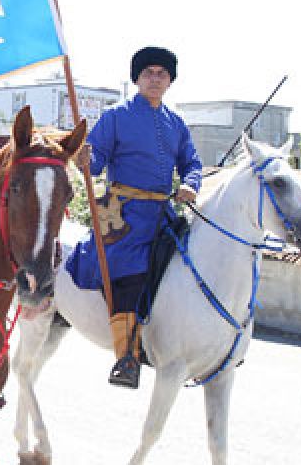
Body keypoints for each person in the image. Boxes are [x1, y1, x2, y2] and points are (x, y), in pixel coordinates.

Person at [65, 47, 202, 389]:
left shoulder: (177, 123)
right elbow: (94, 164)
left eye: (161, 73)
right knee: (129, 269)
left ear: (169, 80)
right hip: (122, 213)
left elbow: (192, 163)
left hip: (163, 212)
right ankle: (127, 355)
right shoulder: (115, 116)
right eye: (148, 73)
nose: (155, 78)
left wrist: (189, 184)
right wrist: (84, 158)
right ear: (137, 78)